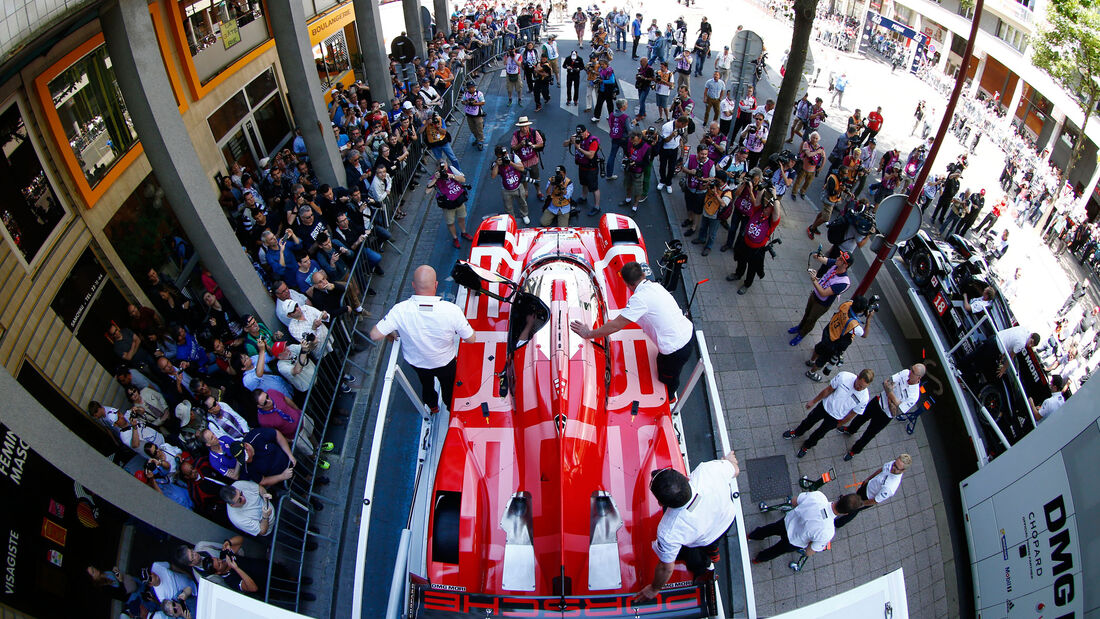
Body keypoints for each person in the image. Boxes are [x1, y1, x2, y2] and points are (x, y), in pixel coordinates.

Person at [570, 262, 693, 399]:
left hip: (675, 350)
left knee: (667, 378)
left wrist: (588, 334)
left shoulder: (639, 300)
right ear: (643, 274)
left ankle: (670, 398)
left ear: (629, 285)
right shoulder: (656, 287)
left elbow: (616, 325)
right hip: (688, 332)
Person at [632, 451, 742, 602]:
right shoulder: (708, 470)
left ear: (661, 503)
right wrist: (728, 461)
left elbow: (666, 567)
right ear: (686, 478)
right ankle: (714, 551)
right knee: (713, 542)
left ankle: (707, 559)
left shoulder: (668, 532)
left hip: (704, 539)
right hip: (727, 520)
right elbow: (735, 470)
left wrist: (654, 588)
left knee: (697, 552)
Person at [369, 265, 475, 413]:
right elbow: (470, 338)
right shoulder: (452, 310)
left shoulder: (400, 310)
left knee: (426, 385)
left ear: (413, 285)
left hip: (418, 363)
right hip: (445, 362)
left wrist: (390, 333)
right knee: (448, 387)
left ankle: (433, 406)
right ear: (436, 284)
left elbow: (374, 334)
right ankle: (450, 408)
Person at [748, 491, 862, 563]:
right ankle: (758, 559)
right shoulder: (828, 532)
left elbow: (794, 501)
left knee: (768, 529)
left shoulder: (819, 496)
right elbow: (809, 551)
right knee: (774, 551)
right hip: (794, 542)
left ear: (841, 497)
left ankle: (752, 536)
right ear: (846, 514)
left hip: (786, 522)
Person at [783, 368, 874, 458]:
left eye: (863, 387)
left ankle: (806, 446)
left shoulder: (864, 398)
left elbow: (852, 414)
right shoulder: (844, 377)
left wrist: (840, 424)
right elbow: (828, 390)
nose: (859, 388)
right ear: (857, 377)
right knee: (808, 421)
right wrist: (814, 401)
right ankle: (797, 432)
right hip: (825, 406)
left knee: (819, 434)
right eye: (859, 385)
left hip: (835, 418)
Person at [842, 365, 925, 460]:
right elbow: (886, 383)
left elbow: (896, 412)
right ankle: (850, 430)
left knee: (869, 434)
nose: (910, 372)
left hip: (886, 416)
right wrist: (895, 401)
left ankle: (854, 451)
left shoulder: (914, 396)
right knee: (860, 417)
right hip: (878, 401)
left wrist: (889, 393)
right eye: (911, 369)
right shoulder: (905, 372)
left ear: (919, 377)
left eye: (913, 372)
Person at [789, 251, 853, 346]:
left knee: (811, 319)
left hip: (822, 304)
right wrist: (817, 256)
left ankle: (802, 334)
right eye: (839, 256)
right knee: (807, 312)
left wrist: (814, 279)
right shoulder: (836, 264)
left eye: (840, 259)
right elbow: (826, 260)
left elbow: (823, 293)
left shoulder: (843, 282)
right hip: (814, 294)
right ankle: (800, 327)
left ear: (845, 265)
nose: (837, 259)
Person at [805, 297, 876, 380]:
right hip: (833, 342)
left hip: (828, 331)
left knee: (819, 347)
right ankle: (811, 372)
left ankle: (811, 361)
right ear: (861, 310)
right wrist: (868, 319)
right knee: (822, 359)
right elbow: (865, 335)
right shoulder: (853, 325)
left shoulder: (847, 304)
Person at [833, 455, 911, 528]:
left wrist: (861, 504)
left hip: (868, 497)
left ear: (903, 470)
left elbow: (876, 500)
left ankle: (839, 523)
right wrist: (868, 479)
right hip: (867, 486)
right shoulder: (894, 463)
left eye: (896, 467)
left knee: (854, 510)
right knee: (854, 497)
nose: (892, 467)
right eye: (894, 463)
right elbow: (881, 469)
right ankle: (845, 503)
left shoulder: (890, 487)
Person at [729, 189, 781, 295]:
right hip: (745, 243)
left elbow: (777, 210)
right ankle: (738, 274)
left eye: (769, 208)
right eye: (766, 206)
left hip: (756, 250)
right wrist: (762, 189)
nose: (766, 209)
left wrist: (775, 196)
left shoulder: (772, 222)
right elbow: (758, 200)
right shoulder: (757, 211)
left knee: (752, 269)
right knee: (741, 260)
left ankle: (747, 284)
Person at [426, 161, 471, 248]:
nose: (444, 170)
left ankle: (464, 232)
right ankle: (455, 238)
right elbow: (427, 191)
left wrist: (452, 176)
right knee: (450, 223)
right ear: (437, 169)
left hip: (459, 199)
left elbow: (463, 179)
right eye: (442, 168)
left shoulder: (451, 170)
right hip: (448, 204)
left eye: (445, 167)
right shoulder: (434, 177)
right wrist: (435, 179)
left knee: (462, 218)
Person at [565, 124, 602, 215]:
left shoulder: (593, 140)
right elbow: (564, 144)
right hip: (582, 166)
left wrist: (579, 148)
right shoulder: (576, 137)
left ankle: (597, 206)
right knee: (584, 183)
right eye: (578, 133)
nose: (580, 135)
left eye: (581, 133)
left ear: (586, 131)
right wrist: (571, 140)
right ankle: (583, 197)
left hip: (591, 168)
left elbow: (590, 155)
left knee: (594, 188)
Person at [491, 144, 529, 224]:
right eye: (501, 156)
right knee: (508, 207)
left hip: (518, 186)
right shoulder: (496, 163)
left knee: (522, 202)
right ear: (497, 156)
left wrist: (510, 163)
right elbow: (493, 176)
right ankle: (512, 220)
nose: (504, 156)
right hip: (506, 189)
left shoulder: (513, 157)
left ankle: (524, 215)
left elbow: (521, 168)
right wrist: (497, 164)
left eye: (505, 154)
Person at [512, 117, 545, 202]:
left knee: (535, 177)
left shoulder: (534, 132)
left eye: (525, 126)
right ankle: (526, 191)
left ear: (528, 125)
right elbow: (513, 148)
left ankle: (539, 192)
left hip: (533, 160)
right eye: (522, 127)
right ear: (519, 127)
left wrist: (533, 146)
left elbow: (541, 143)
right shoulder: (516, 135)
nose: (524, 128)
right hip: (521, 162)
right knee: (523, 178)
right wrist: (520, 145)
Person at [620, 131, 651, 211]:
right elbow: (627, 151)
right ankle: (628, 199)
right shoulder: (629, 142)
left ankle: (635, 206)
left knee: (638, 190)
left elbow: (647, 163)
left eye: (635, 141)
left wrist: (636, 163)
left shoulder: (646, 147)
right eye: (632, 141)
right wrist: (627, 159)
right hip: (629, 169)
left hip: (638, 172)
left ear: (640, 139)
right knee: (628, 184)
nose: (633, 143)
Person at [604, 99, 631, 181]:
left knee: (612, 155)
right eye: (626, 104)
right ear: (623, 107)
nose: (627, 106)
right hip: (624, 138)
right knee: (627, 153)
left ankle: (609, 174)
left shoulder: (612, 115)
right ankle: (627, 168)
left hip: (615, 137)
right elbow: (629, 129)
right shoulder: (625, 117)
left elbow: (611, 125)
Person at [461, 81, 486, 150]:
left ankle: (480, 141)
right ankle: (477, 138)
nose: (472, 89)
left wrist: (474, 104)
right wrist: (467, 102)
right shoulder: (466, 94)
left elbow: (483, 102)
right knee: (472, 128)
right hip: (469, 114)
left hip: (477, 114)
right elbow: (462, 101)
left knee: (479, 128)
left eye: (473, 87)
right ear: (468, 88)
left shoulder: (479, 94)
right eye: (470, 88)